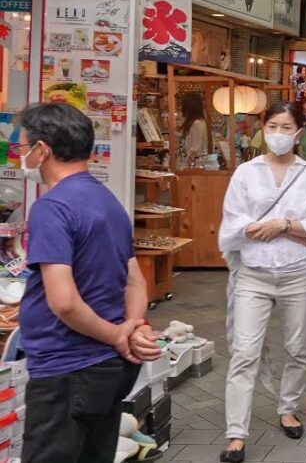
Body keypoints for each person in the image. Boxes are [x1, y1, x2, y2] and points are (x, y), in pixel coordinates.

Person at [18, 103, 162, 463]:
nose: (21, 157)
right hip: (107, 366)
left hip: (67, 367)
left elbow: (63, 301)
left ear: (43, 150)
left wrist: (119, 335)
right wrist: (131, 326)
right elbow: (135, 281)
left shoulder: (52, 207)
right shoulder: (107, 200)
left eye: (22, 148)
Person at [218, 102, 306, 463]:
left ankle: (288, 408)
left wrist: (282, 225)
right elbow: (237, 226)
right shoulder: (245, 173)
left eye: (287, 128)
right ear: (263, 128)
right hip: (254, 275)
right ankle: (236, 433)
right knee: (243, 352)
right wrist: (293, 228)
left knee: (298, 347)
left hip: (299, 273)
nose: (279, 134)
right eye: (273, 126)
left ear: (299, 133)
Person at [179, 92, 208, 166]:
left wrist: (187, 163)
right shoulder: (192, 123)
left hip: (194, 166)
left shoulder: (197, 124)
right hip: (190, 164)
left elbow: (195, 148)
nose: (181, 107)